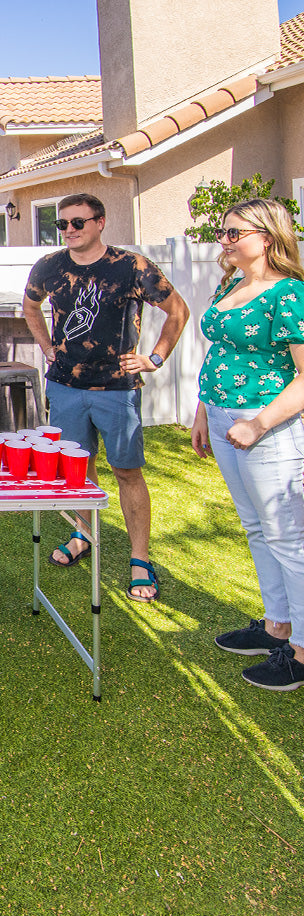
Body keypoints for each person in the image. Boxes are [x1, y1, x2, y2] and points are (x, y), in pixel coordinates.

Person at [22, 193, 190, 601]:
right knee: (78, 470)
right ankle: (84, 535)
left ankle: (139, 558)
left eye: (77, 222)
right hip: (65, 385)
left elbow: (178, 310)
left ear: (100, 222)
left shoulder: (131, 266)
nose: (69, 231)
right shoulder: (49, 266)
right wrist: (47, 348)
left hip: (117, 389)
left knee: (127, 471)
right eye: (62, 224)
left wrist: (155, 358)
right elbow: (29, 308)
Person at [190, 198, 304, 692]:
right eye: (224, 232)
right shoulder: (232, 283)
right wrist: (203, 410)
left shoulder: (289, 294)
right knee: (256, 528)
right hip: (222, 418)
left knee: (287, 537)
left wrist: (257, 424)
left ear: (268, 235)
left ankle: (300, 652)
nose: (225, 240)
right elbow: (217, 350)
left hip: (267, 426)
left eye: (235, 233)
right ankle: (277, 625)